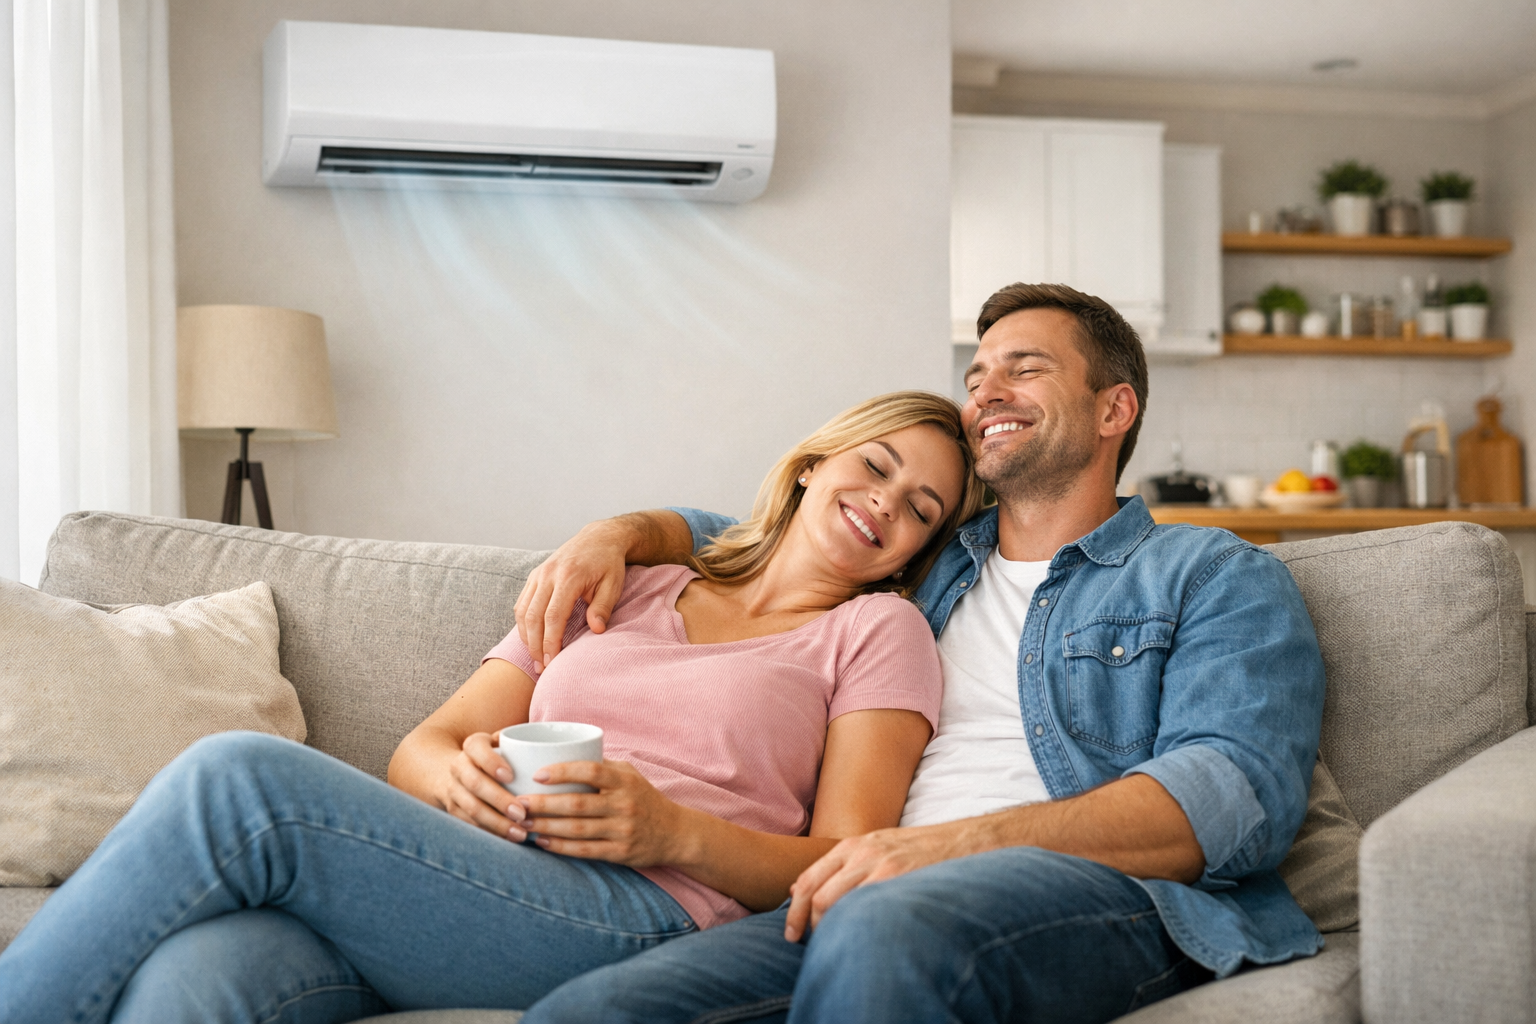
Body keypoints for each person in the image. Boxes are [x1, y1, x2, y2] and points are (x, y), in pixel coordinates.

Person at [0, 391, 988, 1024]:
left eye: (922, 509)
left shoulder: (875, 634)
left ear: (915, 551)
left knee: (238, 777)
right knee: (201, 976)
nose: (886, 503)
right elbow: (422, 748)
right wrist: (457, 779)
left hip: (639, 909)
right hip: (471, 881)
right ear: (817, 460)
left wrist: (673, 828)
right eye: (878, 464)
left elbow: (839, 860)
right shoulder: (631, 584)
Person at [513, 283, 1328, 1024]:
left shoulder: (1211, 573)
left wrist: (939, 848)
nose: (984, 395)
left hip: (1099, 900)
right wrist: (615, 533)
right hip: (866, 890)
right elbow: (760, 534)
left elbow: (1228, 797)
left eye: (1025, 368)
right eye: (977, 379)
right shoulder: (927, 559)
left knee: (887, 927)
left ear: (1115, 410)